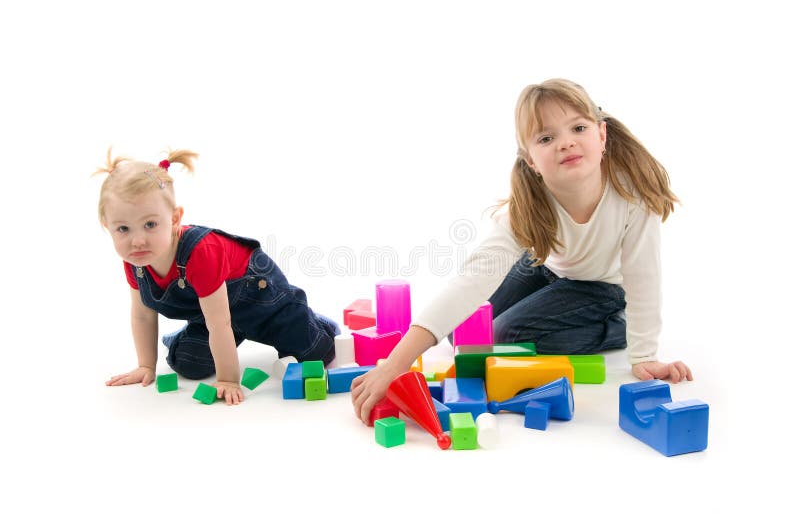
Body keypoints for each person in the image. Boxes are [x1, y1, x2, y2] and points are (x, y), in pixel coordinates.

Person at [352, 78, 693, 423]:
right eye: (547, 138)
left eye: (578, 127)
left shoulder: (631, 195)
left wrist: (643, 354)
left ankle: (613, 326)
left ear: (602, 135)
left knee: (506, 334)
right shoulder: (529, 207)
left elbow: (643, 275)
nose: (566, 143)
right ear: (531, 159)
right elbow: (472, 279)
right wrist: (394, 365)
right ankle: (560, 305)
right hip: (549, 271)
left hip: (601, 288)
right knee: (465, 330)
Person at [96, 149, 338, 405]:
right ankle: (203, 339)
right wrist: (146, 365)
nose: (137, 240)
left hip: (259, 294)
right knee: (187, 363)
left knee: (316, 353)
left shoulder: (200, 252)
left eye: (150, 224)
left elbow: (220, 323)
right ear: (107, 225)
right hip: (212, 311)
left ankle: (311, 321)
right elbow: (142, 314)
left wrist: (228, 380)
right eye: (123, 228)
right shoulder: (137, 260)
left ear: (175, 218)